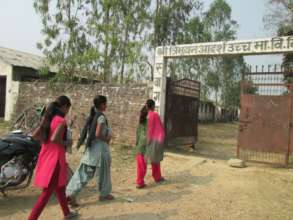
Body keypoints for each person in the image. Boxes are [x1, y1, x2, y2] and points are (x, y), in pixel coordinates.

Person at [28, 95, 77, 220]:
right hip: (55, 161)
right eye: (68, 109)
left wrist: (46, 142)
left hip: (46, 157)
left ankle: (67, 214)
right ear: (65, 107)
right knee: (47, 193)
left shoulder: (48, 119)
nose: (67, 112)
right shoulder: (60, 120)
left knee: (60, 188)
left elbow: (34, 135)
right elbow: (55, 139)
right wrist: (67, 143)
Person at [66, 95, 114, 207]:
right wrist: (107, 138)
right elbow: (97, 134)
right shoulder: (101, 117)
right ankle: (104, 194)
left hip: (91, 151)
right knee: (104, 174)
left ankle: (70, 194)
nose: (106, 105)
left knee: (82, 174)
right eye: (105, 103)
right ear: (102, 104)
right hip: (100, 152)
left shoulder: (92, 116)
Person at [145, 99, 166, 184]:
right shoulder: (155, 114)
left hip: (154, 139)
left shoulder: (149, 115)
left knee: (154, 159)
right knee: (156, 159)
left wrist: (148, 141)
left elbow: (149, 129)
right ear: (153, 106)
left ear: (147, 106)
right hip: (159, 138)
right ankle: (157, 176)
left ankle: (157, 176)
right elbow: (160, 125)